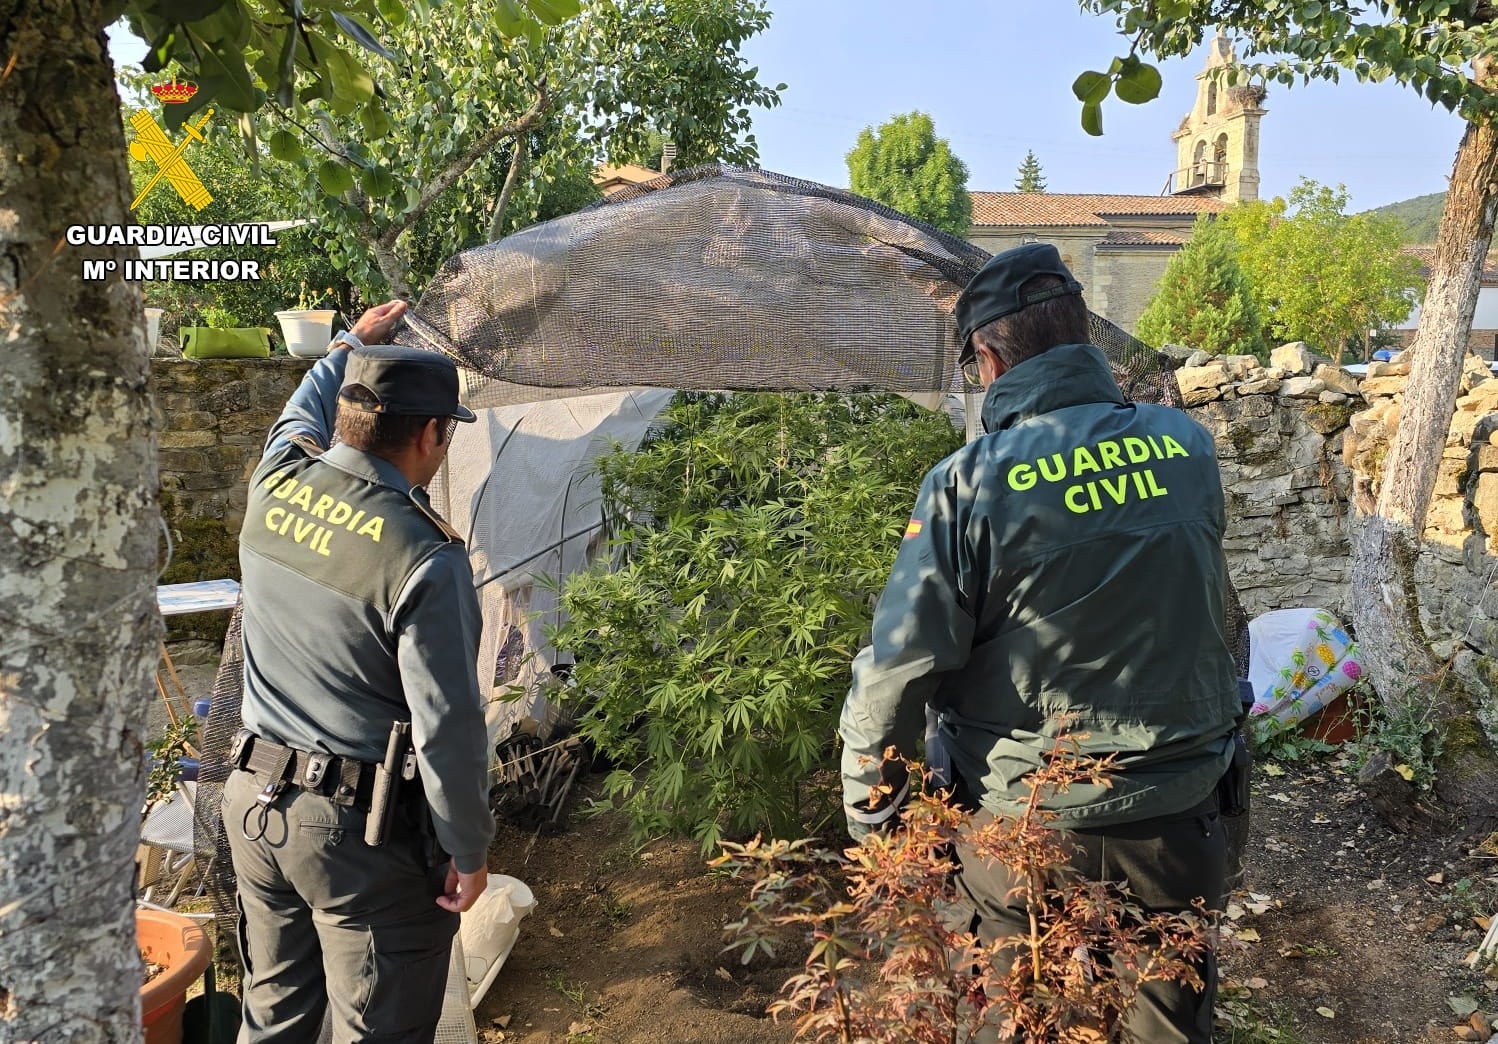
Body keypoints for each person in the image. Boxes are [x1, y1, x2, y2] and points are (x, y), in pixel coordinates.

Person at [838, 244, 1241, 1043]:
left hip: (1026, 822)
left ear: (989, 358)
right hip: (1180, 811)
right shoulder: (1185, 448)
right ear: (1081, 335)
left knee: (1018, 1011)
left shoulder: (969, 482)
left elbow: (898, 668)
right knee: (1165, 1014)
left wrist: (876, 817)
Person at [224, 299, 495, 1042]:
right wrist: (469, 853)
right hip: (358, 842)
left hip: (254, 805)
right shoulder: (424, 559)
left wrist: (349, 344)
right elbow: (448, 729)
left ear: (349, 420)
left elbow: (295, 412)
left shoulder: (276, 480)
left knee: (273, 1020)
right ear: (432, 433)